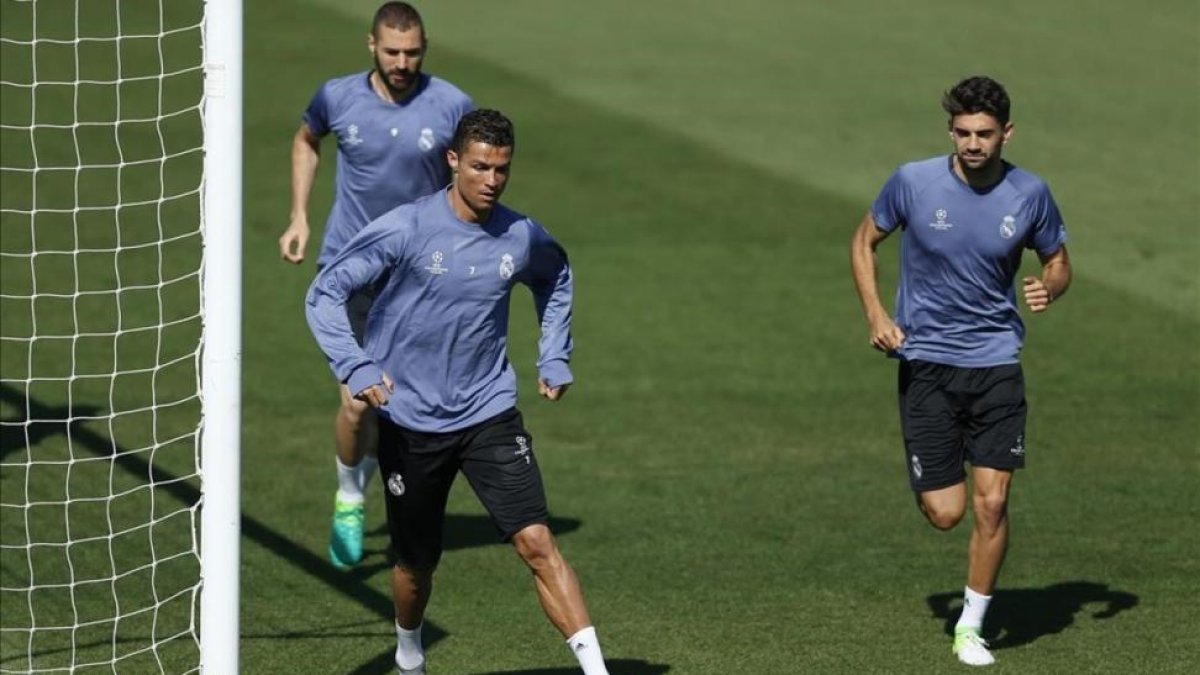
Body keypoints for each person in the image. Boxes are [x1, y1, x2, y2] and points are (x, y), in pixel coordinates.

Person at [305, 109, 609, 675]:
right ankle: (409, 652)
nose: (492, 180)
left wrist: (554, 353)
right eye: (479, 167)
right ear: (452, 161)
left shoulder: (521, 235)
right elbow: (325, 293)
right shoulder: (407, 228)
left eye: (502, 169)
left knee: (537, 542)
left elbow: (556, 275)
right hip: (411, 421)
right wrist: (355, 364)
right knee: (416, 568)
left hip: (488, 411)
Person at [849, 76, 1072, 666]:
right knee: (947, 513)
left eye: (985, 134)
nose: (974, 144)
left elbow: (1057, 260)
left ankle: (970, 627)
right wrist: (876, 314)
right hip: (927, 364)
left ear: (1007, 134)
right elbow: (864, 241)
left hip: (997, 364)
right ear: (950, 131)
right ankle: (932, 484)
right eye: (964, 133)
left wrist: (1049, 287)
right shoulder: (913, 182)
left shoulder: (1030, 193)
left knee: (992, 504)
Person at [278, 2, 472, 569]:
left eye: (412, 52)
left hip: (418, 277)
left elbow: (471, 180)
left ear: (425, 47)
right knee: (359, 404)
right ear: (372, 46)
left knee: (404, 406)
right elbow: (306, 140)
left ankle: (390, 492)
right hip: (351, 270)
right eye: (392, 52)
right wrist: (299, 216)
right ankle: (348, 496)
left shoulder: (452, 105)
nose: (402, 63)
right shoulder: (337, 97)